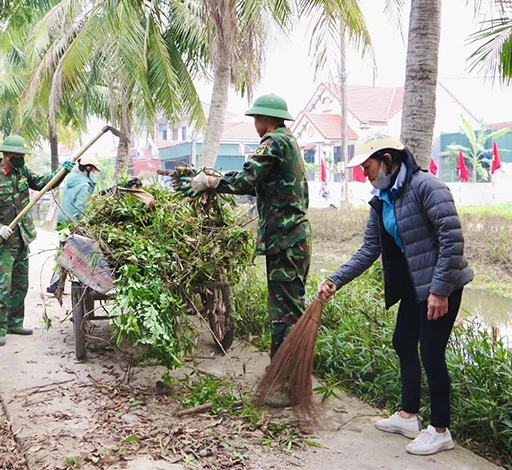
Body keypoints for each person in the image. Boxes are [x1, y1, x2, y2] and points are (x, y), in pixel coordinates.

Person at [317, 130, 472, 456]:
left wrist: (440, 291)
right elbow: (369, 250)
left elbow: (453, 241)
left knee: (431, 353)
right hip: (415, 287)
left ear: (388, 161)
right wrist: (335, 280)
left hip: (441, 286)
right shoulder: (383, 200)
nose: (364, 174)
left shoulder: (427, 187)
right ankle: (409, 416)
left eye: (368, 167)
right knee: (403, 342)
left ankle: (441, 430)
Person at [178, 94, 311, 374]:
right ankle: (286, 371)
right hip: (290, 238)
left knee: (285, 313)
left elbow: (245, 180)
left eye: (256, 119)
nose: (254, 124)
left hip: (286, 239)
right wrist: (215, 180)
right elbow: (254, 184)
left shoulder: (274, 142)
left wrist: (209, 181)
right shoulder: (288, 142)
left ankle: (287, 378)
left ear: (265, 119)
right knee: (288, 308)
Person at [0, 135, 75, 346]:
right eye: (18, 155)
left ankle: (14, 323)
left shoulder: (23, 172)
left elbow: (42, 184)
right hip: (4, 242)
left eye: (23, 155)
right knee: (4, 286)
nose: (21, 158)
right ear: (6, 155)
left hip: (22, 238)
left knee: (21, 284)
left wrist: (62, 172)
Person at [46, 155, 102, 298]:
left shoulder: (72, 180)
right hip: (71, 222)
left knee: (63, 251)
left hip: (62, 221)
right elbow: (80, 207)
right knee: (68, 254)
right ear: (88, 168)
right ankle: (55, 286)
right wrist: (80, 225)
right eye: (94, 169)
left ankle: (55, 286)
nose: (94, 173)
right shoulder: (84, 185)